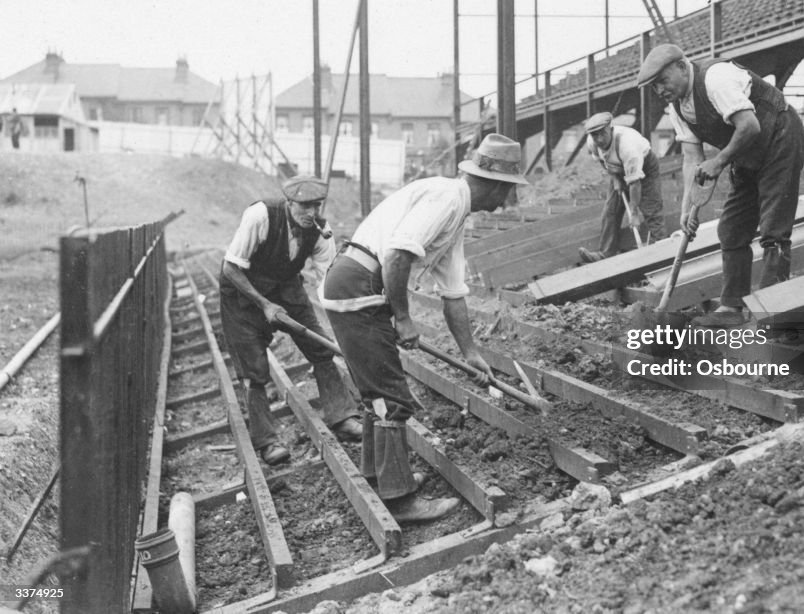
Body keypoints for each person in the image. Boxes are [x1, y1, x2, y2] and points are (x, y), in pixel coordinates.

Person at [319, 133, 527, 524]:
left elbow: (453, 294)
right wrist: (403, 318)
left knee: (375, 394)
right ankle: (400, 500)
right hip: (360, 283)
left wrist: (471, 353)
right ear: (495, 183)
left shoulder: (456, 213)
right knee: (390, 395)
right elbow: (397, 256)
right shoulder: (446, 199)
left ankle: (381, 478)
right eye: (508, 191)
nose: (505, 203)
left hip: (356, 282)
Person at [636, 44, 804, 327]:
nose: (660, 91)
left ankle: (771, 314)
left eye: (663, 81)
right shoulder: (678, 109)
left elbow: (749, 126)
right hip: (746, 154)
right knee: (730, 230)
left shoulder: (715, 79)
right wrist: (687, 209)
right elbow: (692, 159)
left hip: (780, 139)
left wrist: (719, 162)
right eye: (654, 88)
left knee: (773, 230)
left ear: (682, 67)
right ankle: (731, 307)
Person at [219, 175, 362, 466]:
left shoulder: (322, 232)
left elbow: (327, 284)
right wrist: (264, 304)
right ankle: (267, 441)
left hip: (287, 288)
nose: (311, 213)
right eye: (304, 206)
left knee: (321, 348)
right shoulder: (260, 216)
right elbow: (230, 268)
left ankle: (343, 417)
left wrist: (348, 326)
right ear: (289, 203)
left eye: (316, 206)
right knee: (255, 369)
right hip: (243, 293)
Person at [578, 111, 665, 263]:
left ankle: (660, 255)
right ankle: (605, 254)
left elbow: (635, 183)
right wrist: (614, 178)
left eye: (602, 134)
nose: (599, 139)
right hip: (616, 169)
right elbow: (601, 160)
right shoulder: (592, 142)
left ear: (610, 128)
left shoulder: (628, 146)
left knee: (652, 210)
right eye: (594, 135)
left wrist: (634, 213)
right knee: (610, 210)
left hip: (644, 167)